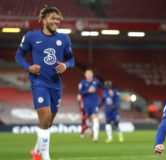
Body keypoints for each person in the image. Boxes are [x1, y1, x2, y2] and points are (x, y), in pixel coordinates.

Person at [15, 6, 74, 160]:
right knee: (45, 117)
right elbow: (19, 56)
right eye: (53, 18)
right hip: (39, 82)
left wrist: (65, 65)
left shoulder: (64, 38)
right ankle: (45, 157)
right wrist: (28, 67)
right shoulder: (31, 37)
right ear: (44, 19)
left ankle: (36, 151)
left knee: (48, 122)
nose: (56, 21)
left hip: (56, 84)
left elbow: (71, 59)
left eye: (58, 19)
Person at [78, 69, 105, 142]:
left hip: (94, 104)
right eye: (87, 74)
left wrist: (107, 92)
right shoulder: (82, 83)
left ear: (92, 75)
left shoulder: (96, 81)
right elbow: (80, 92)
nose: (89, 75)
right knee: (88, 121)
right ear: (85, 75)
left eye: (90, 74)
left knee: (95, 119)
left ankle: (95, 137)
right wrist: (88, 91)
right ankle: (86, 132)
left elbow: (103, 87)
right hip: (86, 104)